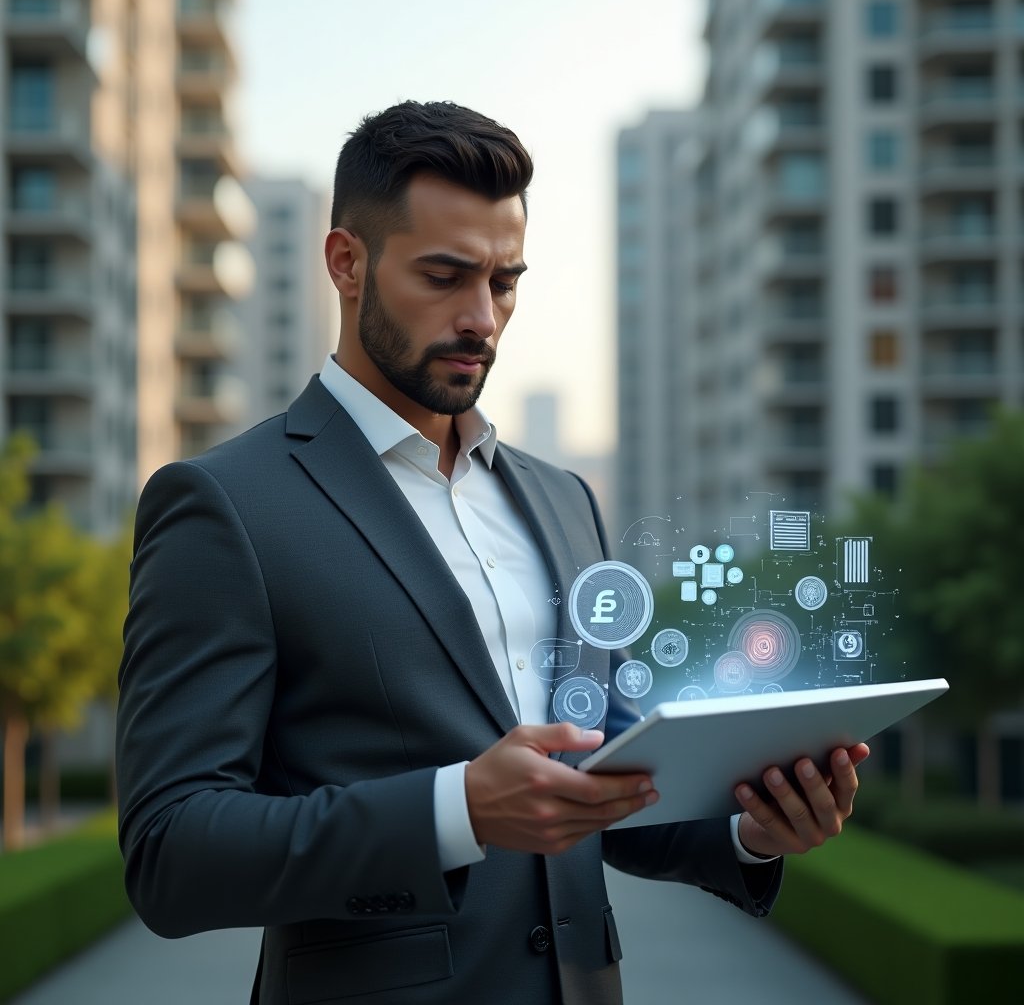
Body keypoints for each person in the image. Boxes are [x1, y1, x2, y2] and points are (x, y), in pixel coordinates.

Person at [117, 101, 868, 1005]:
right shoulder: (226, 504)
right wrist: (456, 810)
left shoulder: (564, 501)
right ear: (345, 263)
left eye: (505, 282)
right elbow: (170, 850)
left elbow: (610, 781)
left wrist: (755, 828)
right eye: (445, 276)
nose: (482, 317)